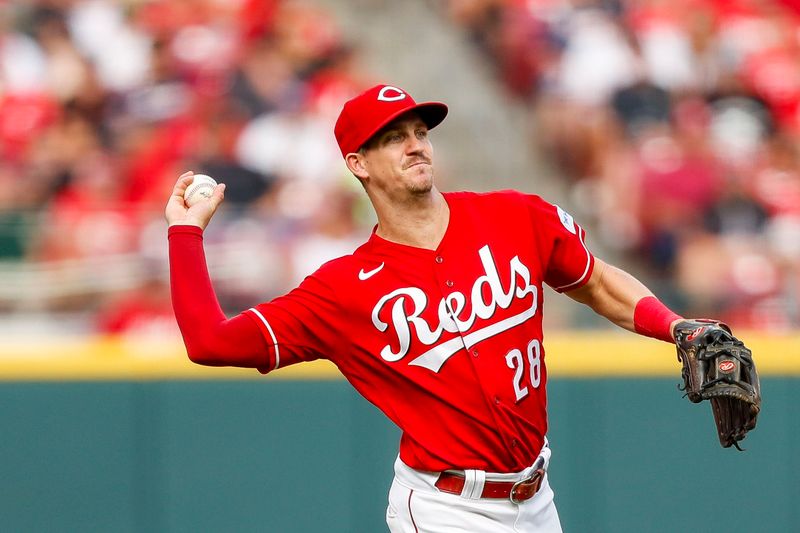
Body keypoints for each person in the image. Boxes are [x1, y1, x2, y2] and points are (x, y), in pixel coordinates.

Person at [165, 84, 687, 532]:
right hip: (445, 508)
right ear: (358, 164)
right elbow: (210, 342)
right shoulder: (342, 289)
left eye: (420, 132)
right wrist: (186, 234)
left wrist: (680, 328)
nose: (415, 146)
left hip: (537, 500)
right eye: (394, 139)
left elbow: (596, 282)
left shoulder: (512, 215)